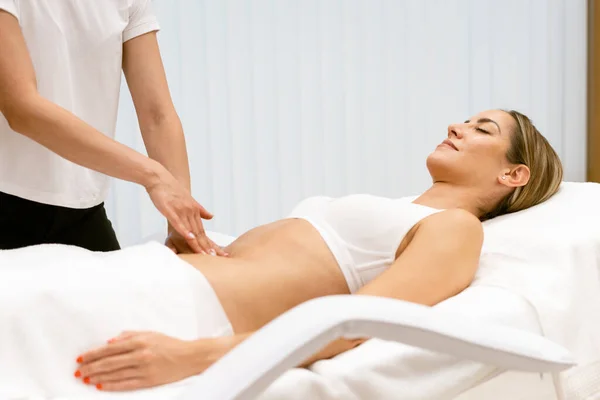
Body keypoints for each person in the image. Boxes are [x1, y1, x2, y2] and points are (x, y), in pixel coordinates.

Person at [0, 109, 563, 394]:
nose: (457, 125)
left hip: (181, 314)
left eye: (481, 127)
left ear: (514, 173)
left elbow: (368, 321)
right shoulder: (398, 207)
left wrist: (197, 355)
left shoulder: (457, 229)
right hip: (145, 275)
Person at [0, 1, 223, 255]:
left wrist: (180, 225)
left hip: (84, 210)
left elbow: (157, 115)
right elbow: (21, 109)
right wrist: (154, 176)